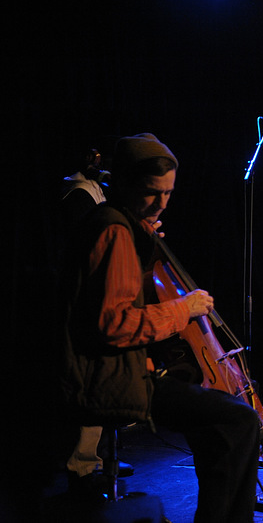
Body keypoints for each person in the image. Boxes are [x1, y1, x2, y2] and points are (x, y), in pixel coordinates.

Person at [57, 133, 262, 521]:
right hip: (107, 380)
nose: (161, 202)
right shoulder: (114, 230)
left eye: (168, 193)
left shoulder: (120, 226)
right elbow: (114, 324)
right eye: (152, 192)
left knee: (217, 428)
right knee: (240, 420)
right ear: (124, 184)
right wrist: (183, 308)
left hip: (122, 370)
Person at [59, 138, 139, 487]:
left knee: (105, 389)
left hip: (101, 292)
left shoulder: (97, 189)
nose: (97, 159)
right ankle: (82, 466)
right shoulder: (77, 193)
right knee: (90, 387)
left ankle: (101, 460)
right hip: (88, 298)